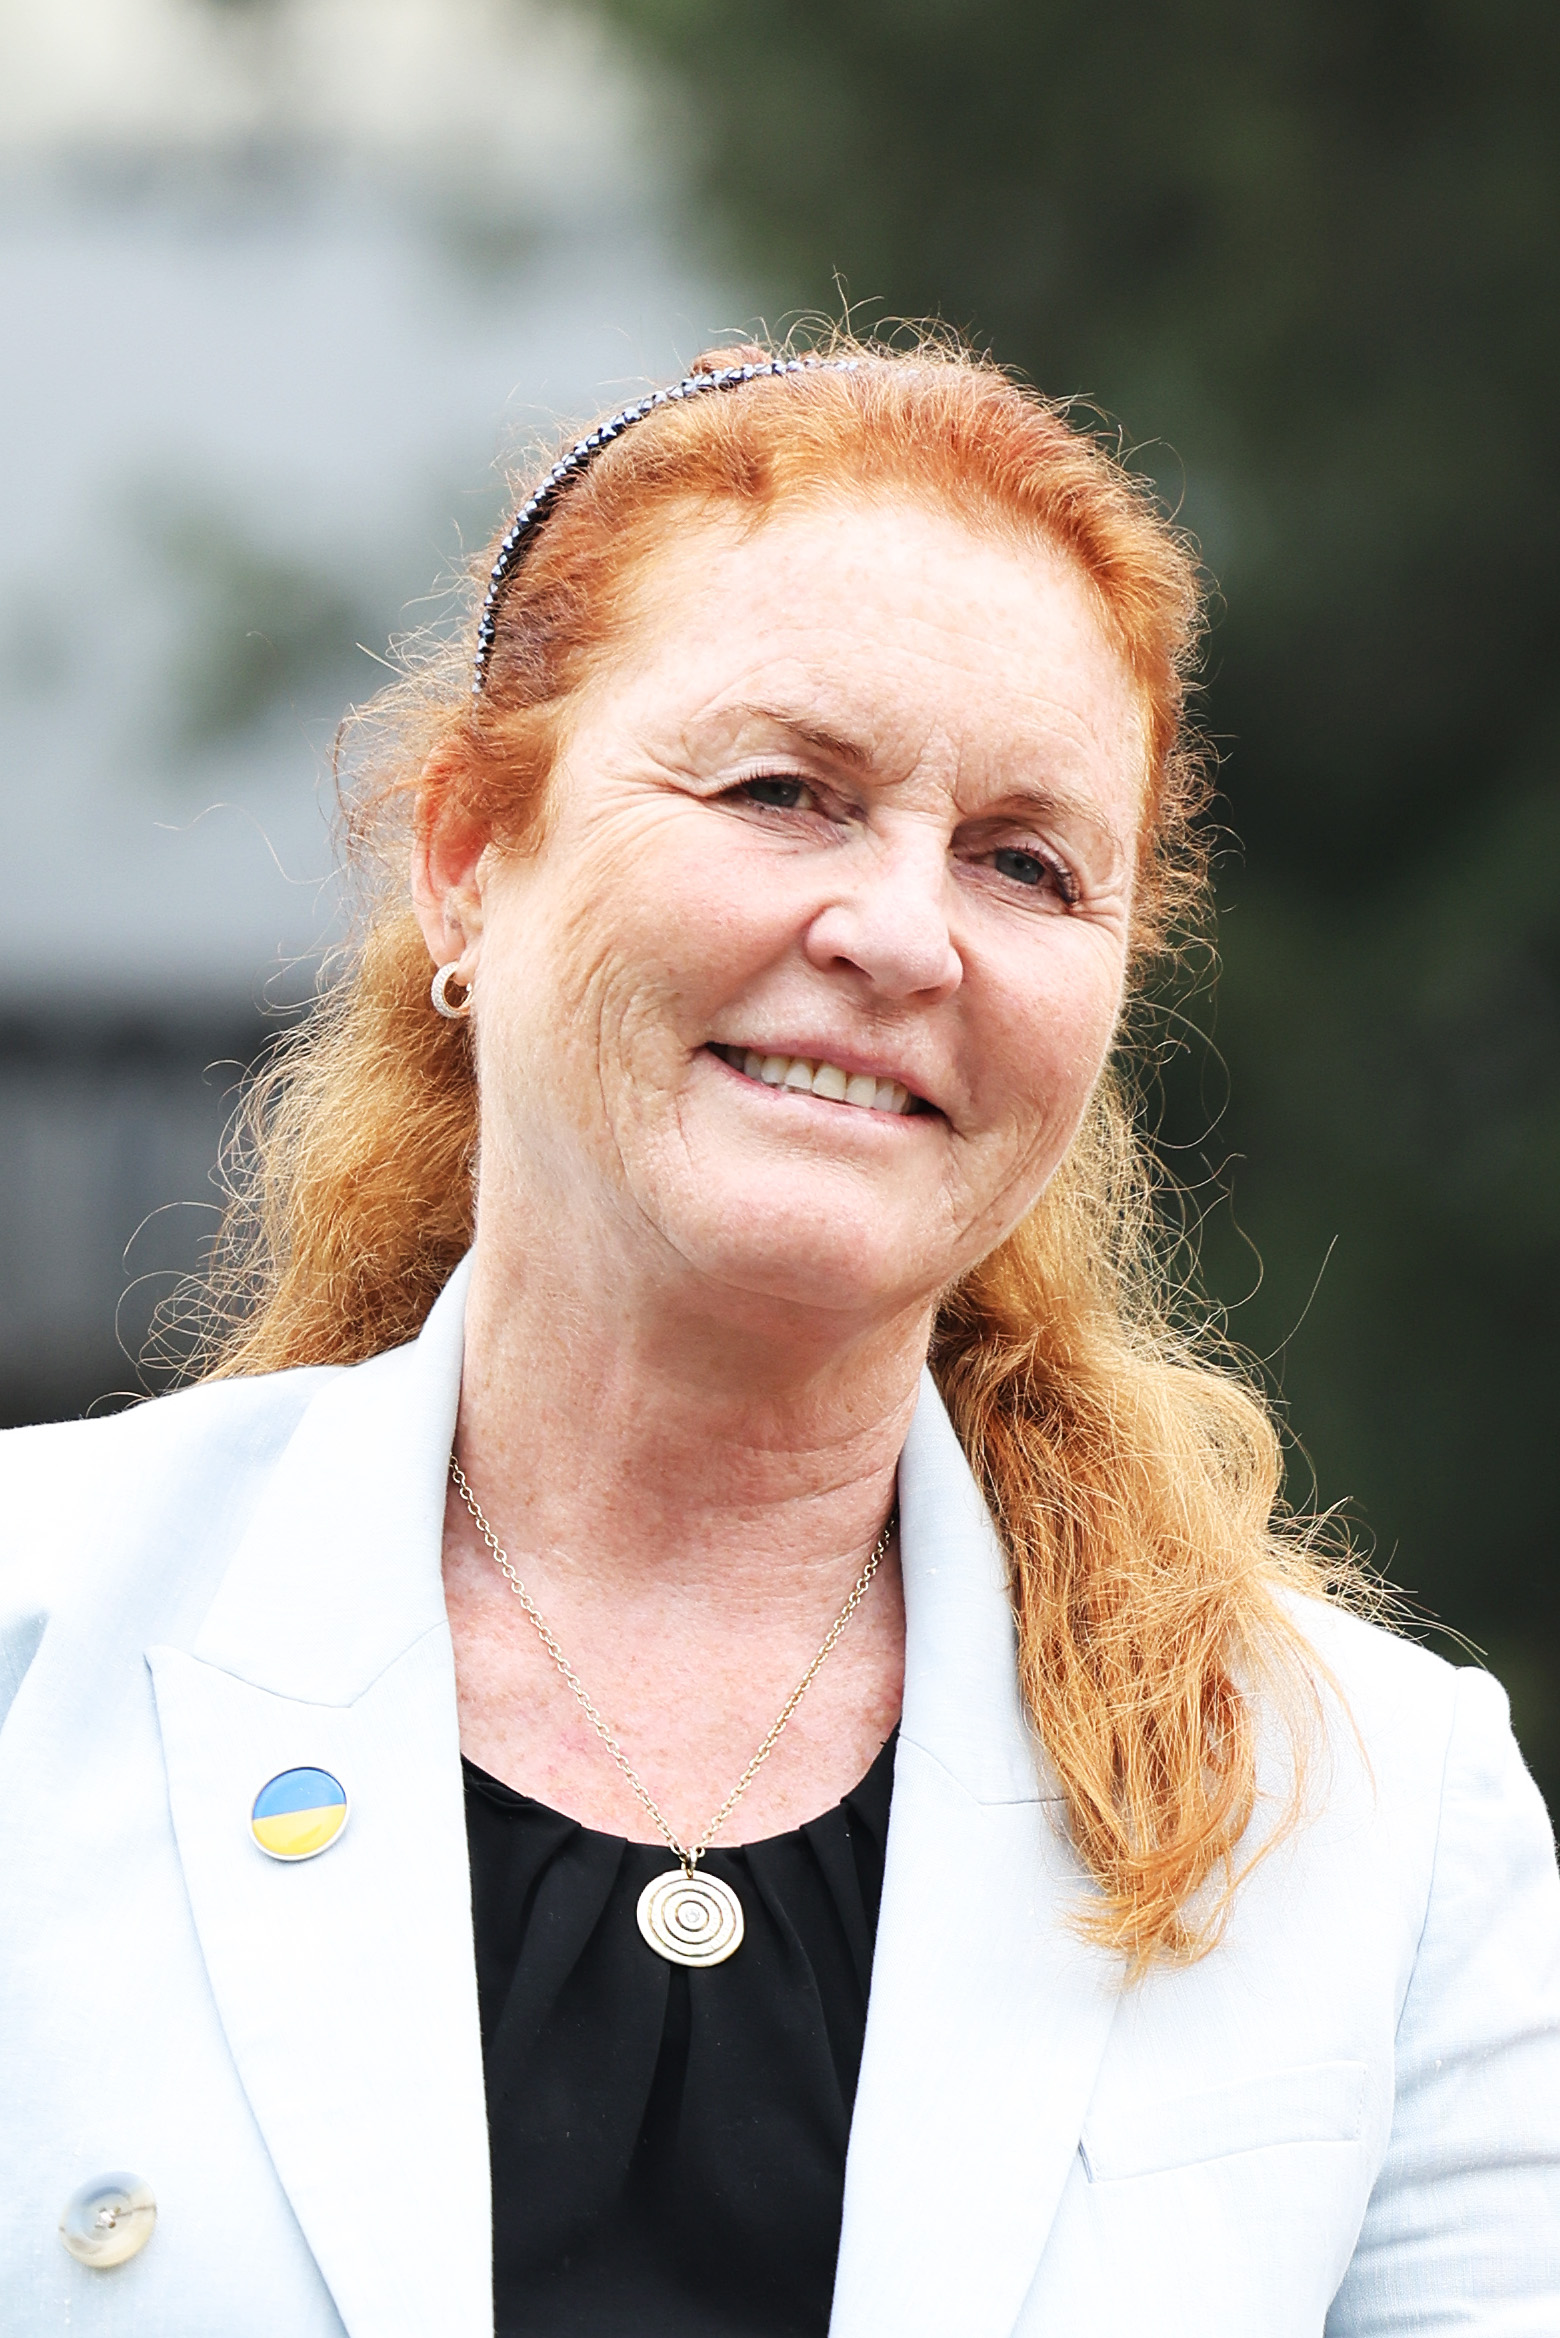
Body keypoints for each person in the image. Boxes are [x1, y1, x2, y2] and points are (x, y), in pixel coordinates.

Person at [1, 336, 1556, 2338]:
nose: (906, 933)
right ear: (471, 856)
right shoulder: (32, 1636)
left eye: (1023, 859)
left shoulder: (1377, 1819)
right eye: (786, 793)